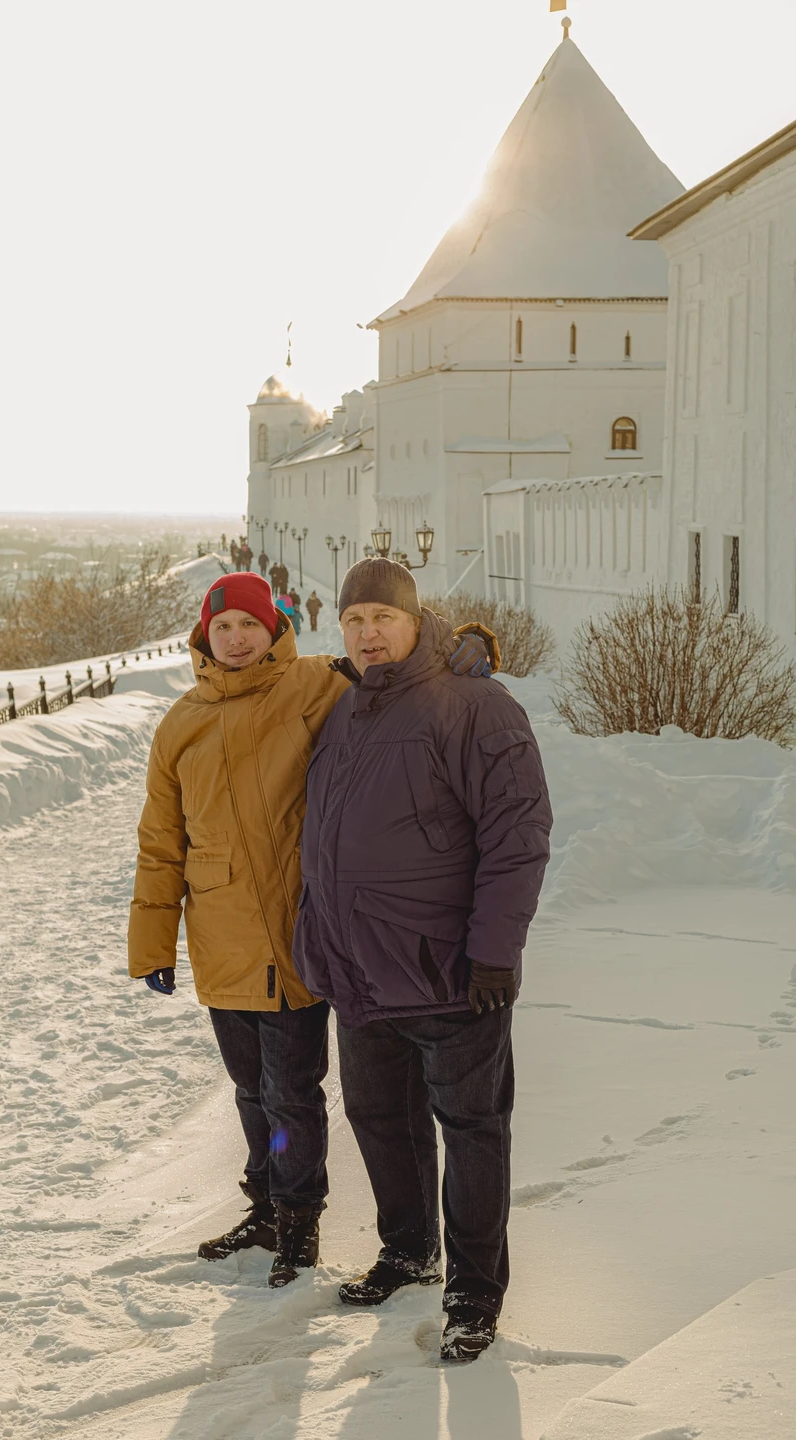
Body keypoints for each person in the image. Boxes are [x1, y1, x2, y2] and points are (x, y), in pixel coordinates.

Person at [128, 570, 497, 1290]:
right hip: (221, 939)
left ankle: (298, 1218)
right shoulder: (180, 723)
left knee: (292, 1089)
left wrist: (459, 652)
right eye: (223, 628)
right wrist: (151, 941)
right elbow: (160, 841)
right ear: (205, 637)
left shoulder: (316, 687)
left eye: (250, 627)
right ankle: (264, 1205)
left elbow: (392, 675)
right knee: (248, 1088)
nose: (236, 640)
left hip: (303, 936)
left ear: (276, 631)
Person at [293, 557, 552, 1363]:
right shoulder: (345, 711)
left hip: (449, 973)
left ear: (417, 620)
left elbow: (518, 836)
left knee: (471, 1130)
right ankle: (408, 1251)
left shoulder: (477, 706)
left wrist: (495, 952)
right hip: (361, 971)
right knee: (379, 1117)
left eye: (384, 618)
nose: (369, 635)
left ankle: (473, 1293)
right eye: (354, 621)